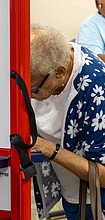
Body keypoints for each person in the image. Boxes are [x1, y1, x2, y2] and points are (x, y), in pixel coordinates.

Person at [31, 25, 105, 220]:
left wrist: (50, 149)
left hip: (95, 202)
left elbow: (104, 174)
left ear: (60, 73)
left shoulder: (95, 87)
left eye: (34, 89)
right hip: (70, 193)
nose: (31, 96)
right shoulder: (53, 56)